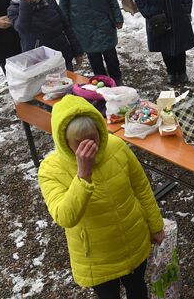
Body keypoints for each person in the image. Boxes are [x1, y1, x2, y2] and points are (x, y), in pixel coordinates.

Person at [38, 94, 165, 298]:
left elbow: (141, 188)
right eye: (79, 143)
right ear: (64, 141)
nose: (91, 148)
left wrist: (156, 225)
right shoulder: (50, 170)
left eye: (94, 138)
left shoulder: (116, 146)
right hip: (97, 258)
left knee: (138, 288)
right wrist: (83, 175)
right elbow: (65, 217)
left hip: (134, 240)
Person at [6, 0, 83, 71]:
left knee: (68, 83)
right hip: (40, 61)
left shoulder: (49, 1)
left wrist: (77, 51)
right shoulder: (13, 10)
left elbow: (66, 26)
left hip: (62, 54)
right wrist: (25, 4)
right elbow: (23, 29)